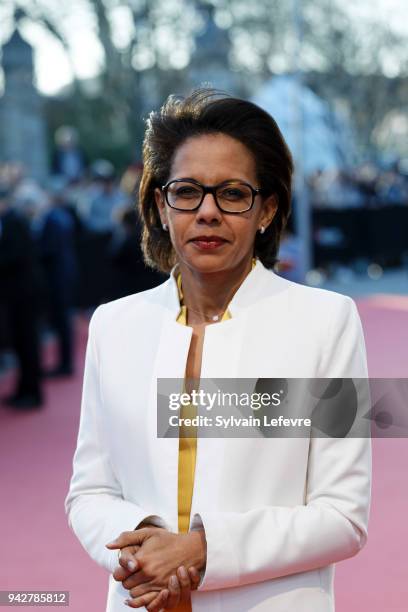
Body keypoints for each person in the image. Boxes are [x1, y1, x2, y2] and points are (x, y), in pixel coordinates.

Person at [65, 89, 372, 612]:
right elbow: (89, 493)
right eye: (186, 192)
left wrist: (201, 550)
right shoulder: (114, 326)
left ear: (267, 210)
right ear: (161, 206)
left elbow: (342, 514)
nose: (207, 212)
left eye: (232, 194)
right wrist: (143, 548)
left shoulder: (326, 322)